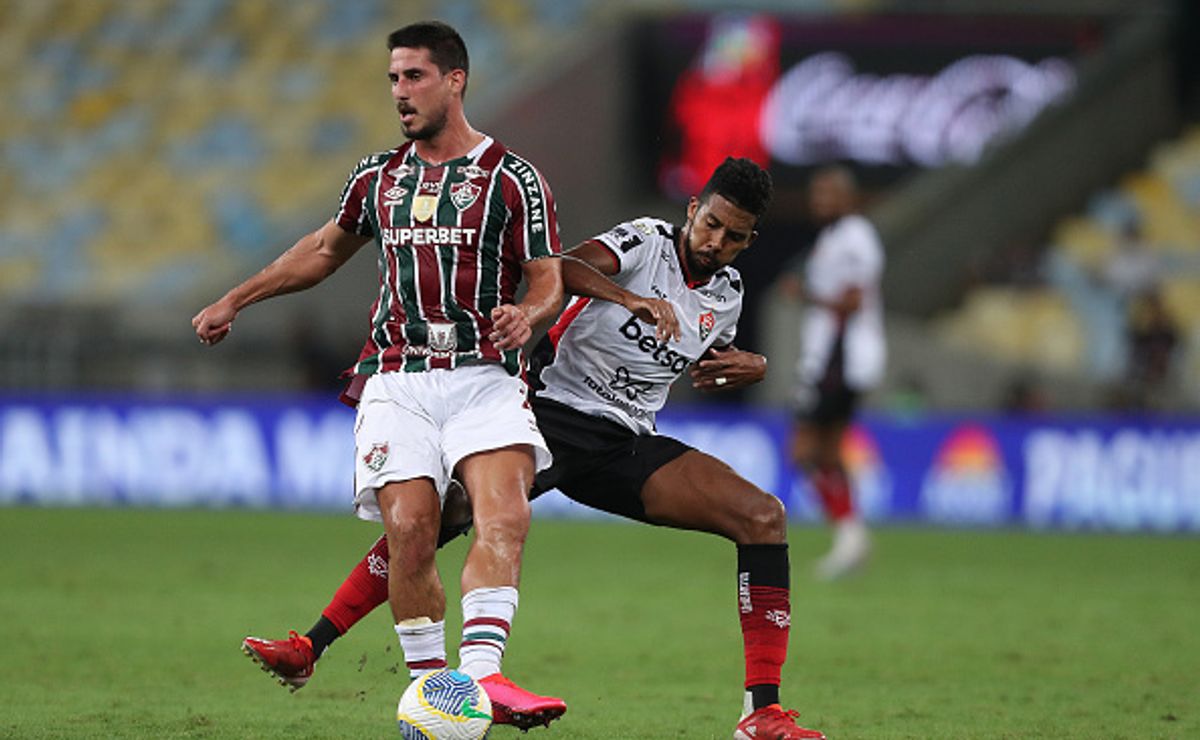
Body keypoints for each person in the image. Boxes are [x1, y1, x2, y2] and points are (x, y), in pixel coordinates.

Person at [241, 158, 827, 739]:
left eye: (734, 236)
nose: (717, 242)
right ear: (693, 209)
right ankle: (310, 646)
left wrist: (747, 366)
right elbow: (563, 269)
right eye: (711, 224)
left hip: (623, 441)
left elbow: (695, 359)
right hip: (550, 411)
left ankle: (761, 713)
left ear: (750, 240)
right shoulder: (646, 242)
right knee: (436, 522)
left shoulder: (728, 294)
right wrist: (629, 300)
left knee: (763, 516)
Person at [192, 20, 566, 729]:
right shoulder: (378, 177)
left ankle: (481, 679)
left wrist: (530, 315)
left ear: (455, 80)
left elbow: (547, 279)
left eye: (414, 76)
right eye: (393, 78)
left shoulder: (513, 179)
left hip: (485, 374)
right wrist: (235, 298)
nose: (399, 91)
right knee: (410, 529)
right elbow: (323, 251)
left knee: (504, 513)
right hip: (398, 378)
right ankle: (434, 694)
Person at [782, 164, 885, 580]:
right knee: (826, 451)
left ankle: (849, 533)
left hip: (840, 357)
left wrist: (805, 293)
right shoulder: (831, 238)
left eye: (830, 194)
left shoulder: (857, 236)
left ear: (850, 198)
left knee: (804, 450)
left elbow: (853, 303)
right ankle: (851, 535)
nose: (821, 202)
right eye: (817, 195)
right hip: (831, 357)